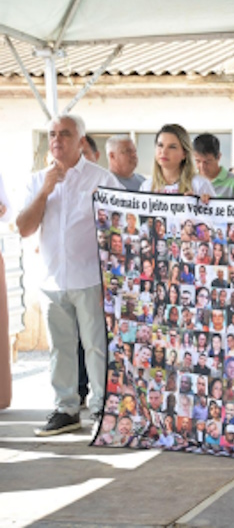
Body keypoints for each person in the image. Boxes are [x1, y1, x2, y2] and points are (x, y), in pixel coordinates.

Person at [17, 114, 123, 435]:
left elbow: (120, 228)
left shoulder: (102, 179)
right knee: (60, 348)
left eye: (65, 134)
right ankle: (66, 408)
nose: (57, 140)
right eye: (51, 134)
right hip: (51, 280)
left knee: (95, 347)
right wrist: (45, 191)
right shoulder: (38, 180)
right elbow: (24, 227)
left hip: (90, 277)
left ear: (80, 141)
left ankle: (103, 410)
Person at [139, 124, 215, 197]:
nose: (164, 152)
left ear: (184, 153)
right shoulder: (146, 187)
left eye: (172, 147)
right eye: (160, 145)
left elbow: (217, 209)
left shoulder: (200, 185)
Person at [192, 133, 234, 197]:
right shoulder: (192, 181)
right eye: (198, 161)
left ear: (218, 157)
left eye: (207, 162)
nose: (202, 166)